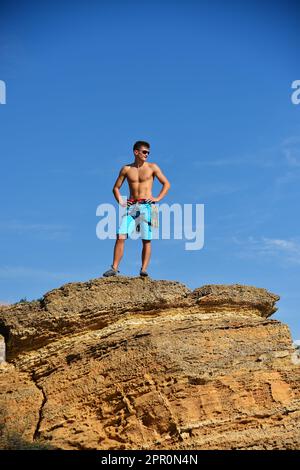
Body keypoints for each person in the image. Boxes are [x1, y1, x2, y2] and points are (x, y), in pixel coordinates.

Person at [103, 140, 170, 277]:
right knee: (120, 235)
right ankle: (114, 268)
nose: (147, 155)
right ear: (136, 152)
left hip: (149, 206)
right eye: (144, 152)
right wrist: (121, 201)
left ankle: (144, 269)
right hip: (132, 206)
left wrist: (157, 198)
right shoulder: (126, 169)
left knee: (146, 239)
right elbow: (115, 188)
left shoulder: (153, 167)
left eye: (148, 153)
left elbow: (166, 184)